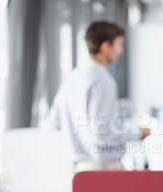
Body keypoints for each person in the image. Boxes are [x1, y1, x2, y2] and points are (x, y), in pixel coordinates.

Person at [48, 21, 150, 172]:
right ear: (105, 46)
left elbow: (53, 123)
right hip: (104, 169)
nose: (120, 50)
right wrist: (139, 132)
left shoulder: (73, 77)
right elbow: (103, 135)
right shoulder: (103, 81)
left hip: (80, 169)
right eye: (118, 45)